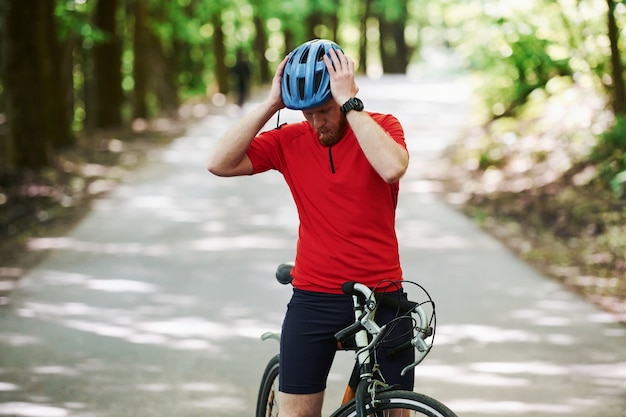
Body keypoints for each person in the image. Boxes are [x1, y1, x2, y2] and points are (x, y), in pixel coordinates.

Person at [207, 39, 413, 417]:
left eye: (324, 110)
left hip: (382, 294)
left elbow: (392, 168)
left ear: (345, 96)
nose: (317, 122)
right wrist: (271, 104)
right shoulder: (289, 140)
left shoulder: (382, 127)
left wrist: (350, 106)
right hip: (315, 296)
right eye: (306, 113)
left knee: (395, 412)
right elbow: (219, 162)